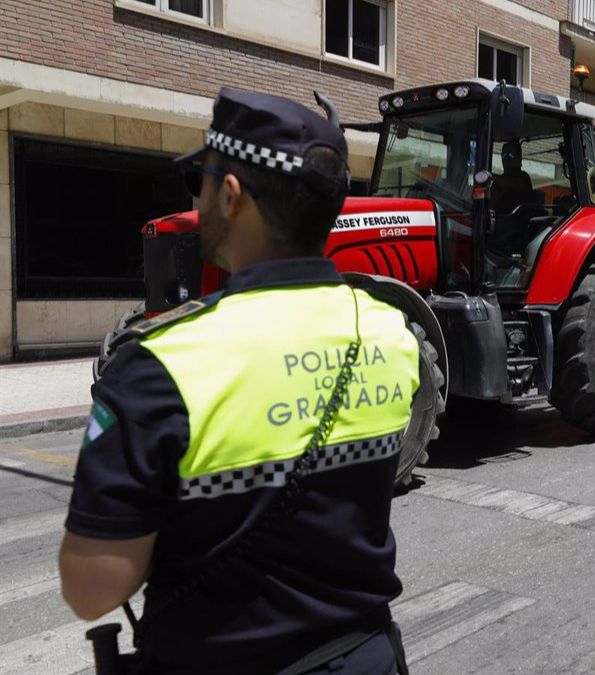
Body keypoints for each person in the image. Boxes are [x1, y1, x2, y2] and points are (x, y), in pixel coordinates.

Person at [58, 88, 421, 674]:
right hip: (368, 658)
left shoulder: (158, 366)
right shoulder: (393, 334)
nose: (198, 197)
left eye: (199, 181)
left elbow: (92, 590)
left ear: (229, 196)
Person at [490, 140, 533, 215]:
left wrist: (489, 175)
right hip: (497, 221)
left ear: (519, 158)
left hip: (518, 221)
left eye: (511, 155)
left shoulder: (523, 177)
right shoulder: (497, 182)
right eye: (504, 155)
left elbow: (513, 183)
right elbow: (490, 203)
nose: (507, 158)